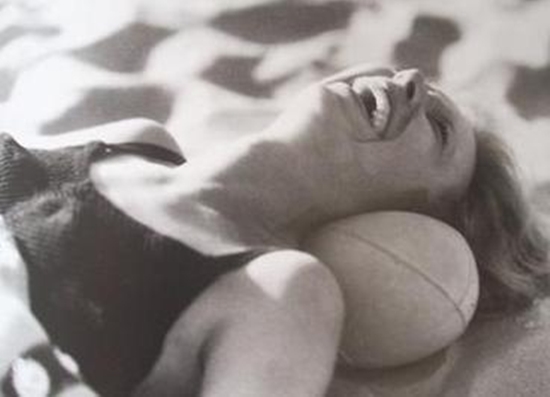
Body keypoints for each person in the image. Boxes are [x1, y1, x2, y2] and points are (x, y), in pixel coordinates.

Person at [0, 65, 548, 397]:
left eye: (438, 128)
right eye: (405, 71)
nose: (410, 81)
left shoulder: (278, 291)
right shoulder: (136, 139)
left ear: (412, 219)